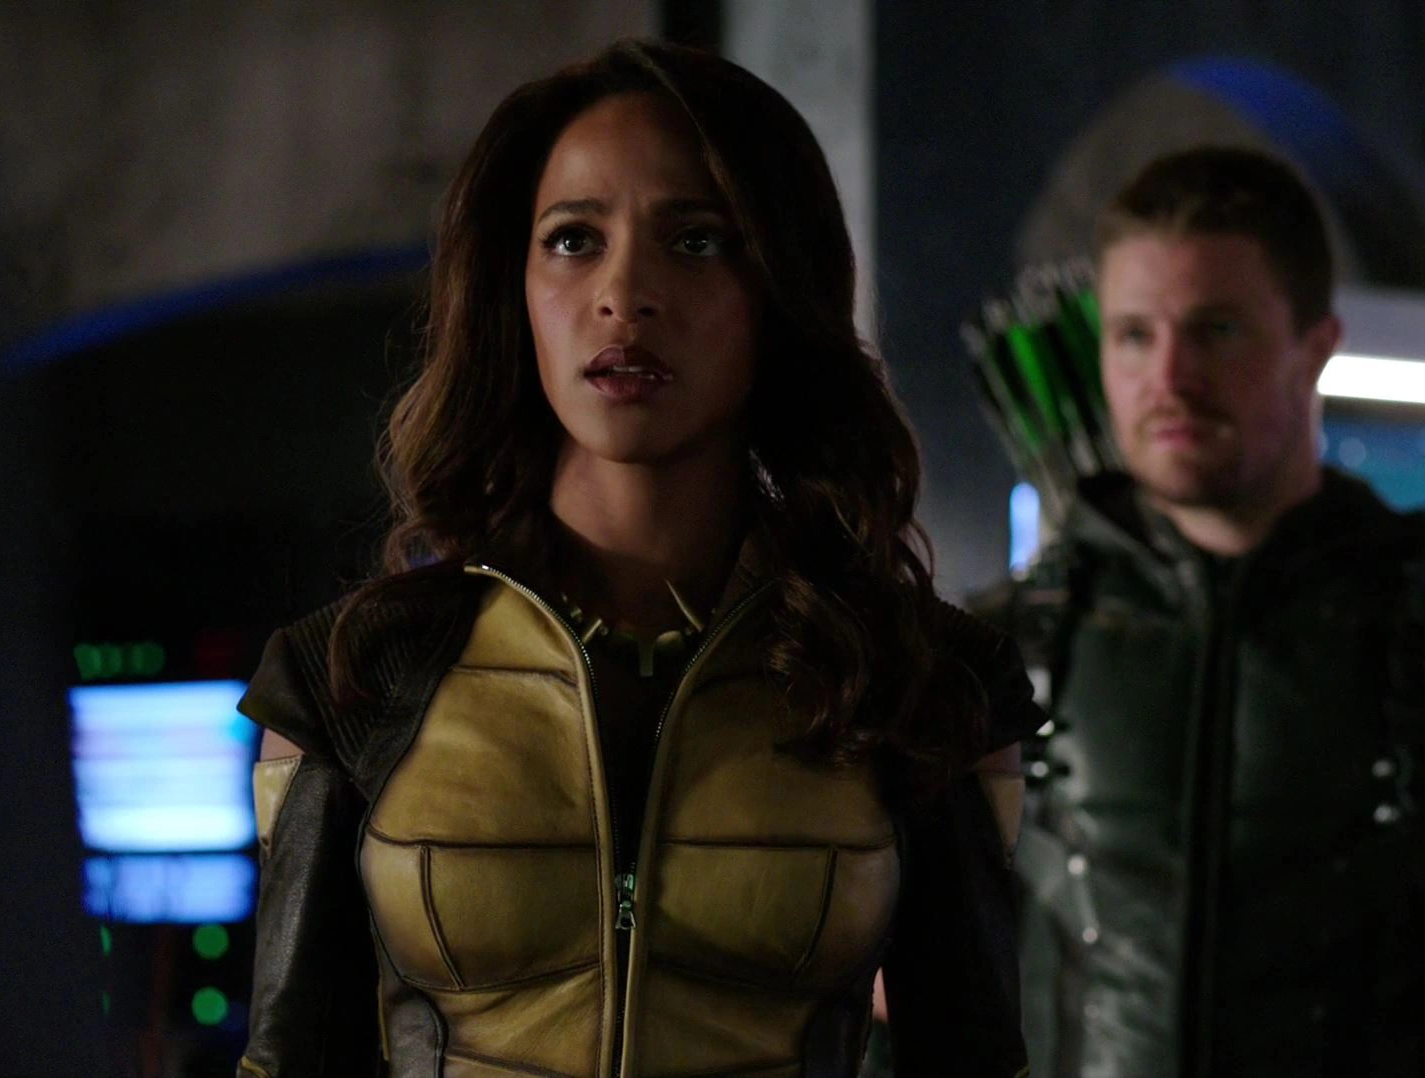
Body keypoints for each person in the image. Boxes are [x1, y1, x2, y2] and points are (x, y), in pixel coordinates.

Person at [234, 40, 1041, 1078]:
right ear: (515, 286)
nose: (625, 293)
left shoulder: (920, 682)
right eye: (573, 240)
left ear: (777, 285)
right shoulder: (353, 682)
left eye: (697, 241)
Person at [977, 146, 1425, 1077]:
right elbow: (906, 1008)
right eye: (1134, 335)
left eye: (1217, 329)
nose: (1171, 377)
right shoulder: (1006, 648)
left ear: (1316, 345)